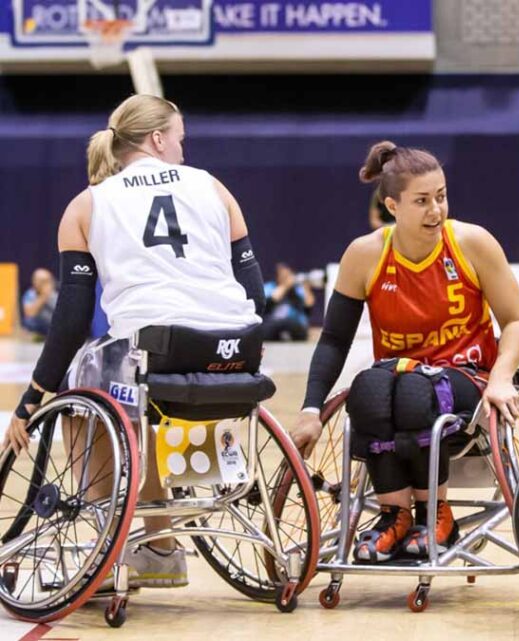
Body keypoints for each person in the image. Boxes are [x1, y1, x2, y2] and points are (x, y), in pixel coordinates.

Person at [2, 94, 265, 589]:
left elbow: (74, 321)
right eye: (181, 140)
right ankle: (161, 546)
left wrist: (33, 398)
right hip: (236, 347)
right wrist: (251, 347)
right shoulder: (212, 186)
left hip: (158, 347)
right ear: (159, 139)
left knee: (89, 385)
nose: (184, 151)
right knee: (146, 399)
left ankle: (109, 550)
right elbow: (253, 289)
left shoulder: (87, 204)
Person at [289, 142, 519, 563]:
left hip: (467, 377)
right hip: (399, 379)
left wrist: (502, 377)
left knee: (417, 391)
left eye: (441, 196)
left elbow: (517, 321)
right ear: (392, 205)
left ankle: (436, 513)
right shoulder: (364, 255)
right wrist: (311, 408)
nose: (436, 210)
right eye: (421, 201)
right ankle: (394, 517)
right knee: (368, 389)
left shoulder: (472, 243)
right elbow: (333, 340)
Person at [262, 262, 315, 341]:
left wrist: (306, 287)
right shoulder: (269, 287)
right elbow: (271, 301)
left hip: (294, 324)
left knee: (295, 326)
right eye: (283, 275)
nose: (286, 278)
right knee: (268, 329)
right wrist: (286, 286)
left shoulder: (297, 289)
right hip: (273, 323)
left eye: (288, 275)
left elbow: (309, 305)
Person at [20, 268, 57, 338]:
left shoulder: (56, 294)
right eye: (42, 281)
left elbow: (62, 313)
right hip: (39, 325)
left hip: (54, 325)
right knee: (28, 322)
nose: (44, 284)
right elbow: (29, 314)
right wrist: (43, 296)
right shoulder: (30, 294)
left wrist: (50, 295)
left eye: (47, 281)